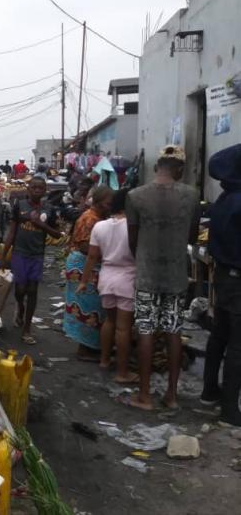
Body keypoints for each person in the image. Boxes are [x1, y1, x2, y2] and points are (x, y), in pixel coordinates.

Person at [126, 145, 200, 411]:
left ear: (157, 167)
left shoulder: (135, 196)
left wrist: (144, 258)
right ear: (178, 169)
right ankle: (171, 396)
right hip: (176, 276)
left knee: (145, 330)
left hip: (147, 274)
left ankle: (144, 395)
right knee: (173, 331)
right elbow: (191, 237)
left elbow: (132, 241)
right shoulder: (192, 195)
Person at [78, 188, 137, 383]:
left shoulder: (100, 226)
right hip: (127, 278)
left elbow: (93, 256)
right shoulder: (133, 226)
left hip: (106, 277)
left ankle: (104, 360)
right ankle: (122, 372)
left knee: (109, 321)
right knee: (123, 328)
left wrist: (84, 281)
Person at [201, 143, 241, 426]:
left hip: (224, 276)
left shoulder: (225, 199)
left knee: (219, 335)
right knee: (237, 346)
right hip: (238, 279)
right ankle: (229, 409)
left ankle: (209, 391)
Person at [2, 176, 63, 345]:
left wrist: (39, 224)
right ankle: (20, 307)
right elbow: (12, 232)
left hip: (37, 255)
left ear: (45, 191)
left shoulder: (49, 209)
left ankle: (27, 329)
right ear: (28, 189)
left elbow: (57, 234)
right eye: (34, 187)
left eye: (40, 188)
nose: (37, 190)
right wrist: (3, 255)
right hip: (19, 253)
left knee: (33, 290)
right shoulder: (19, 206)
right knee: (20, 289)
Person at [63, 186, 113, 362]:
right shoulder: (90, 219)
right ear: (99, 202)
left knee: (90, 305)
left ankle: (90, 346)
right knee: (89, 307)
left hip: (85, 265)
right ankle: (85, 348)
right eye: (107, 203)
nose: (110, 206)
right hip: (83, 265)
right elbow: (86, 247)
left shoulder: (98, 218)